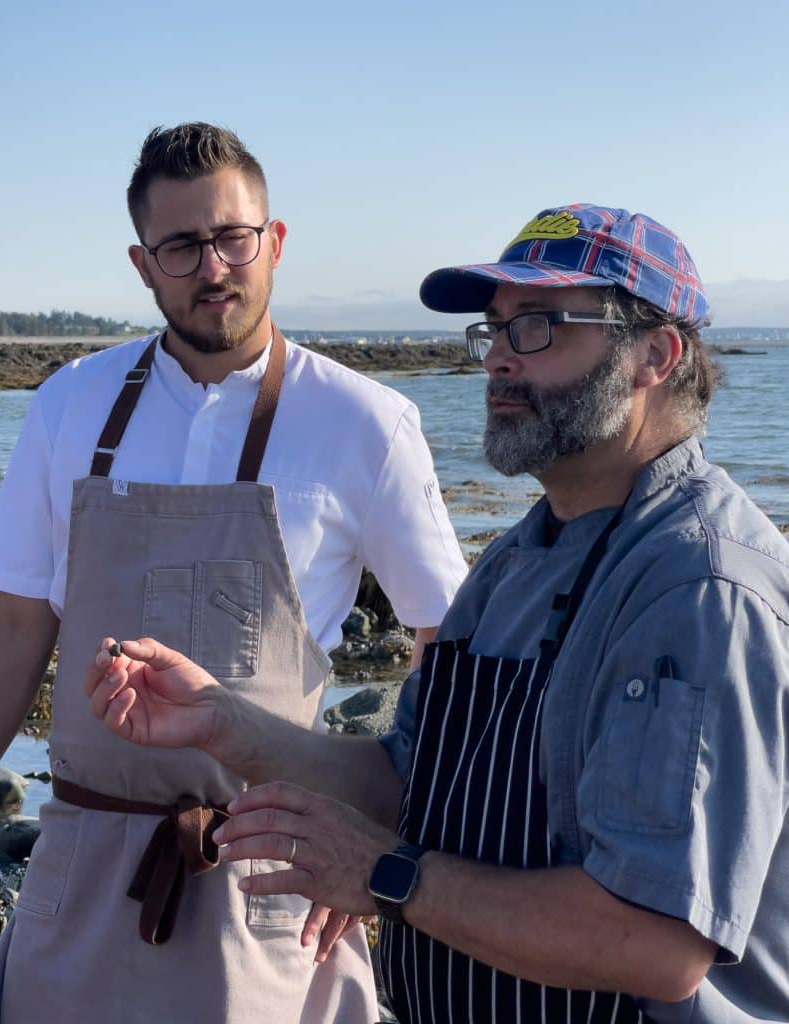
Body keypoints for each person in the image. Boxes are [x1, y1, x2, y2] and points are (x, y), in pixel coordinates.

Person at [85, 205, 789, 1022]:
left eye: (537, 327)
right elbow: (410, 781)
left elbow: (657, 944)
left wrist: (388, 874)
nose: (496, 361)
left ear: (654, 356)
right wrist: (220, 723)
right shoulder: (515, 560)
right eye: (492, 332)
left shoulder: (698, 590)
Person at [0, 122, 467, 1023]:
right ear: (142, 263)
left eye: (232, 236)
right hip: (80, 864)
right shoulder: (70, 404)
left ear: (273, 242)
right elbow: (13, 630)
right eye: (181, 245)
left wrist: (383, 842)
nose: (213, 266)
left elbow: (448, 650)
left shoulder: (367, 424)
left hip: (274, 873)